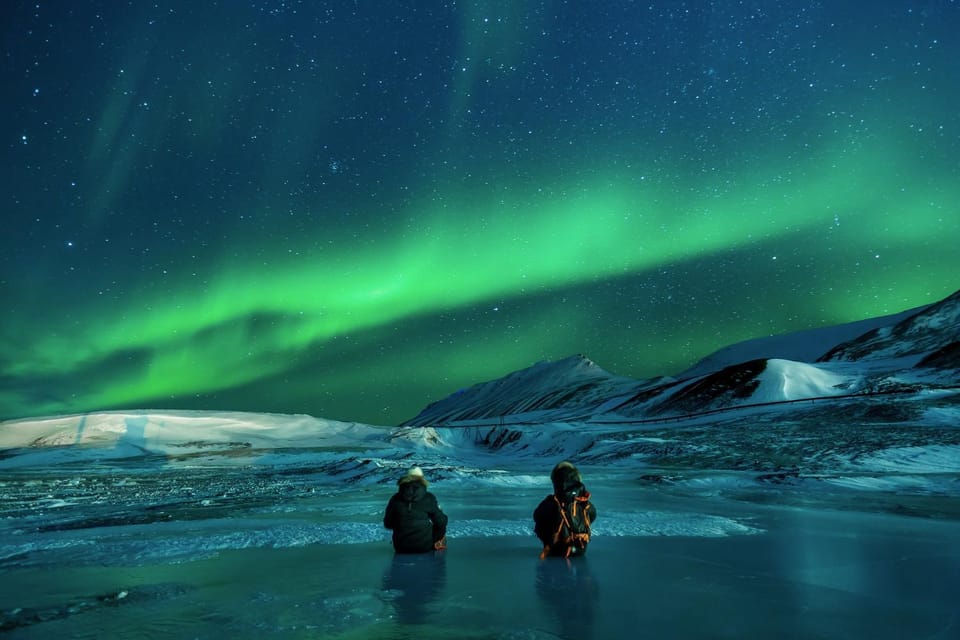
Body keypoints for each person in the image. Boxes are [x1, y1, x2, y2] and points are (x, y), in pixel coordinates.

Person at [533, 461, 597, 559]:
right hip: (580, 549)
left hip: (556, 550)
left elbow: (537, 516)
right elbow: (593, 515)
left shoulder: (551, 502)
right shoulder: (583, 501)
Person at [383, 466, 448, 554]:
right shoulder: (429, 498)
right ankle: (436, 544)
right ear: (422, 479)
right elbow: (441, 522)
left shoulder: (395, 498)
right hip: (424, 546)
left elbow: (388, 523)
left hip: (400, 546)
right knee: (440, 523)